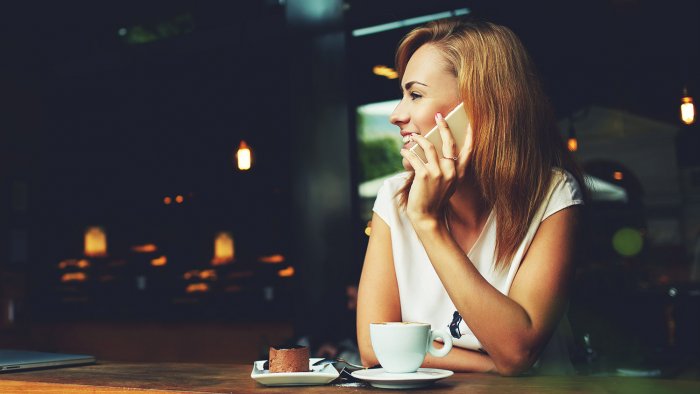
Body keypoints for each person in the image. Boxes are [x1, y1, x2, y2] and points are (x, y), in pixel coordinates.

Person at [356, 18, 586, 376]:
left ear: (479, 106)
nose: (396, 115)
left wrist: (429, 224)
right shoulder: (394, 198)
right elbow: (373, 348)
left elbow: (516, 351)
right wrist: (489, 364)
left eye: (415, 94)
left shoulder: (554, 195)